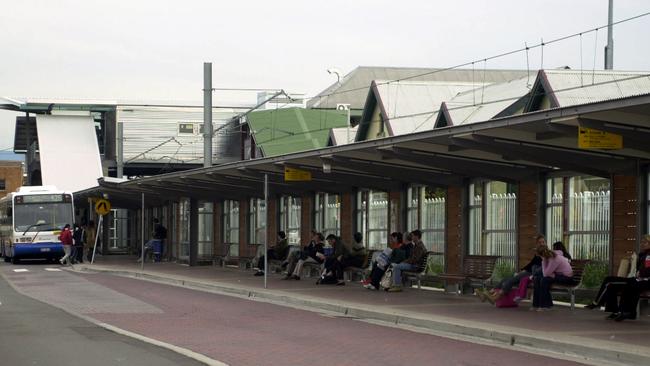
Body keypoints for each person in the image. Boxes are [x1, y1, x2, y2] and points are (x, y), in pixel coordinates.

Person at [476, 234, 546, 304]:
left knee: (510, 281)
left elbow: (541, 266)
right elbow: (531, 264)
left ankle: (495, 298)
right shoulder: (537, 253)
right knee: (505, 279)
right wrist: (521, 271)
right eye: (540, 242)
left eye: (543, 242)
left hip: (532, 274)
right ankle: (486, 294)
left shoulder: (546, 253)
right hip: (527, 272)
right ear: (537, 244)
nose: (542, 244)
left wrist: (524, 272)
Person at [606, 234, 650, 321]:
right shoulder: (642, 254)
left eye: (645, 242)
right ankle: (623, 311)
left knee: (631, 284)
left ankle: (626, 311)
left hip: (646, 280)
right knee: (617, 285)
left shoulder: (648, 255)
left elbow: (648, 270)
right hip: (640, 279)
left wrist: (640, 273)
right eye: (642, 242)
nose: (642, 244)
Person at [531, 245, 574, 311]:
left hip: (566, 278)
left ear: (542, 255)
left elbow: (545, 274)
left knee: (544, 280)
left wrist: (543, 261)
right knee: (537, 278)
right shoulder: (551, 254)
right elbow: (547, 273)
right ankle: (536, 304)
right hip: (559, 274)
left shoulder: (553, 259)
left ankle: (545, 306)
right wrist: (551, 274)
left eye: (540, 256)